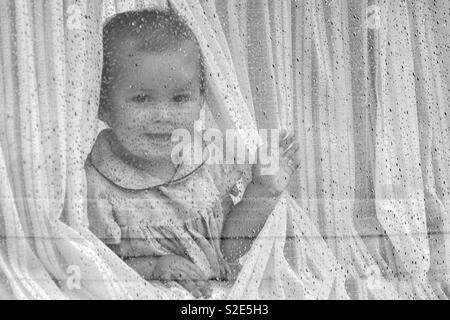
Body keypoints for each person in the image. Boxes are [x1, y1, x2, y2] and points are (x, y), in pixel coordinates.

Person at [85, 9, 300, 299]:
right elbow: (94, 265)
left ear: (201, 101)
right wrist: (155, 266)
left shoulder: (207, 159)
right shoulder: (98, 184)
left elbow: (229, 248)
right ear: (102, 107)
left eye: (180, 98)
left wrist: (262, 191)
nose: (163, 114)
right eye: (141, 98)